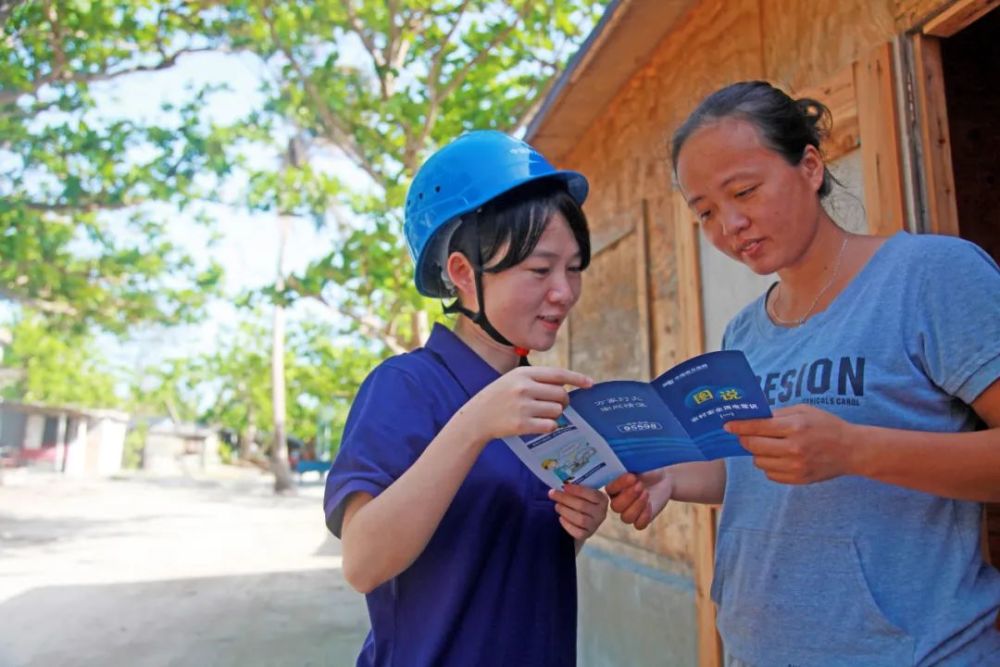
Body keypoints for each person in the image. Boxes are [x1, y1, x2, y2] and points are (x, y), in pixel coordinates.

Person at [608, 81, 1000, 666]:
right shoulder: (744, 333)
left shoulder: (928, 275)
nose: (730, 224)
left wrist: (853, 449)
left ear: (811, 167)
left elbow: (836, 453)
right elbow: (760, 472)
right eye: (706, 212)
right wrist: (671, 478)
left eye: (744, 190)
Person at [324, 130, 613, 666]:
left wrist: (575, 527)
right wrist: (472, 425)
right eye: (540, 269)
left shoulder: (546, 402)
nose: (564, 292)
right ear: (463, 274)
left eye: (574, 269)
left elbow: (499, 561)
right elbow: (362, 562)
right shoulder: (405, 387)